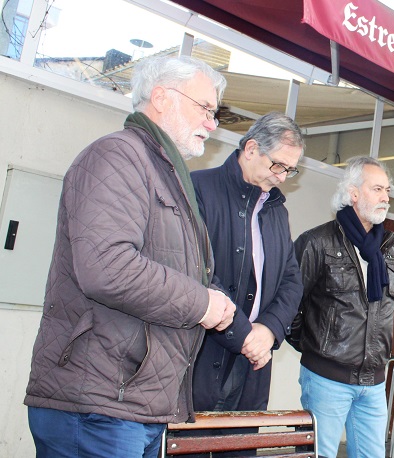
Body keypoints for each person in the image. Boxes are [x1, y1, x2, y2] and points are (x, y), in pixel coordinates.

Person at [24, 55, 236, 457]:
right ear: (160, 97)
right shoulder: (118, 156)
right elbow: (107, 267)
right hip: (97, 407)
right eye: (206, 109)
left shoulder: (165, 173)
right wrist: (201, 303)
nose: (213, 123)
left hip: (131, 405)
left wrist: (210, 297)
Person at [187, 112, 305, 455]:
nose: (282, 177)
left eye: (290, 170)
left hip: (253, 362)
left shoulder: (276, 211)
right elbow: (198, 270)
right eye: (278, 165)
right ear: (251, 149)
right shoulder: (199, 188)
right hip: (201, 353)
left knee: (239, 449)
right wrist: (245, 334)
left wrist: (268, 331)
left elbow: (291, 281)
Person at [289, 156, 394, 458]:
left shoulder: (388, 250)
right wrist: (315, 346)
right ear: (353, 194)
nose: (386, 198)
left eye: (387, 191)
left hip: (374, 382)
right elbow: (289, 304)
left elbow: (385, 311)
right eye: (377, 189)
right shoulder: (316, 243)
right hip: (327, 380)